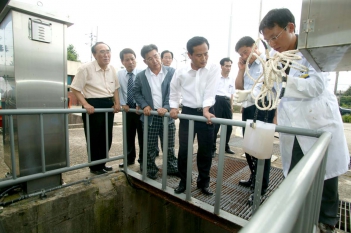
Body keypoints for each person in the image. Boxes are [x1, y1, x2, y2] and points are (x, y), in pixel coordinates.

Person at [259, 8, 350, 232]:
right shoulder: (278, 58)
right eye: (267, 40)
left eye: (274, 37)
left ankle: (326, 223)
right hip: (294, 128)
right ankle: (301, 220)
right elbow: (274, 89)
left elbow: (316, 86)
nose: (272, 44)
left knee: (325, 177)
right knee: (299, 175)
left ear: (290, 27)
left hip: (317, 123)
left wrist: (283, 79)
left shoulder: (313, 51)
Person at [170, 36, 220, 196]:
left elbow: (210, 91)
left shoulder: (213, 68)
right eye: (199, 55)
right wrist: (174, 107)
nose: (204, 58)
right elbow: (174, 91)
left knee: (205, 151)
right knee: (184, 150)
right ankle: (184, 181)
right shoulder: (181, 72)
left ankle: (203, 182)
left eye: (206, 54)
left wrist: (206, 109)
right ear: (189, 55)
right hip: (188, 114)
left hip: (207, 113)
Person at [71, 42, 120, 175]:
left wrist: (117, 103)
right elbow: (75, 88)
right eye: (102, 52)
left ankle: (102, 164)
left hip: (108, 105)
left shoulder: (112, 69)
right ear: (94, 55)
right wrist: (86, 104)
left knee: (107, 137)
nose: (106, 55)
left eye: (108, 51)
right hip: (93, 105)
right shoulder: (85, 68)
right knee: (94, 138)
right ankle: (94, 167)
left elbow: (115, 88)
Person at [234, 36, 274, 195]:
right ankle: (253, 177)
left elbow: (266, 89)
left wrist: (248, 96)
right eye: (241, 54)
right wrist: (241, 69)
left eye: (246, 52)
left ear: (255, 46)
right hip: (248, 109)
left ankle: (260, 187)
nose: (244, 56)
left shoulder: (267, 62)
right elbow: (238, 87)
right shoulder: (247, 66)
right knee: (249, 147)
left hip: (263, 109)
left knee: (261, 149)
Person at [133, 44, 179, 180]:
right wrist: (144, 105)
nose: (155, 60)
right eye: (150, 58)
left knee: (169, 145)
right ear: (145, 61)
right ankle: (151, 170)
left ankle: (171, 167)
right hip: (150, 117)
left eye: (156, 56)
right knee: (150, 146)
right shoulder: (141, 76)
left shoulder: (171, 72)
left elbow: (174, 91)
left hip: (167, 116)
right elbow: (136, 92)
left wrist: (166, 107)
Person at [117, 48, 143, 168]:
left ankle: (143, 159)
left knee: (142, 135)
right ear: (122, 62)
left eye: (132, 59)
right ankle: (129, 158)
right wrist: (123, 104)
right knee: (129, 134)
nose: (130, 62)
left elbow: (145, 91)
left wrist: (140, 103)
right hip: (127, 108)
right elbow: (119, 90)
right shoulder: (119, 74)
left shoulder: (142, 73)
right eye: (127, 60)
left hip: (140, 108)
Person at [212, 57, 235, 158]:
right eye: (226, 66)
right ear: (221, 66)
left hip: (226, 102)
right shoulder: (215, 78)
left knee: (229, 126)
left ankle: (225, 146)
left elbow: (232, 94)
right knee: (215, 126)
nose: (228, 68)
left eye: (230, 66)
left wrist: (231, 105)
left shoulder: (232, 79)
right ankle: (212, 148)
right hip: (217, 101)